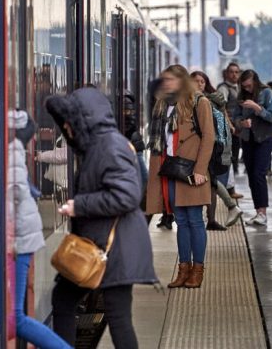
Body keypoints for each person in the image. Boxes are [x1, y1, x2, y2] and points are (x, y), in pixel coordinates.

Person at [46, 89, 157, 348]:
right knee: (68, 301)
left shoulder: (108, 147)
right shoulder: (99, 145)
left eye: (68, 123)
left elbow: (127, 195)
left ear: (82, 121)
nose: (65, 129)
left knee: (116, 317)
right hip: (104, 244)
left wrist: (79, 206)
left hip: (115, 248)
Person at [0, 110, 70, 349]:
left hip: (12, 242)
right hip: (8, 241)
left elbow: (11, 196)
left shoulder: (8, 153)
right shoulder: (9, 151)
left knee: (12, 318)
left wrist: (8, 240)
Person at [146, 65, 215, 288]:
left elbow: (208, 138)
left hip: (191, 171)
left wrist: (200, 170)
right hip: (170, 170)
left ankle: (198, 270)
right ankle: (183, 269)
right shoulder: (162, 104)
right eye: (164, 80)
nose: (166, 84)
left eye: (171, 80)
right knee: (181, 221)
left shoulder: (199, 102)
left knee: (195, 220)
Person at [192, 70, 244, 229]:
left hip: (210, 145)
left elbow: (222, 116)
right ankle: (215, 217)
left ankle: (227, 208)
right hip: (210, 144)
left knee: (210, 179)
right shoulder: (204, 99)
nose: (199, 84)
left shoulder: (205, 100)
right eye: (196, 81)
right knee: (210, 181)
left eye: (202, 81)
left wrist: (230, 126)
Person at [233, 70, 272, 226]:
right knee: (252, 175)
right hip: (247, 139)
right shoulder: (241, 96)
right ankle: (258, 211)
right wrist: (242, 123)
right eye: (244, 87)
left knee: (259, 173)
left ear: (255, 82)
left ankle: (263, 213)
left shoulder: (267, 93)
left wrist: (256, 108)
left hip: (264, 139)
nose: (247, 89)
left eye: (249, 86)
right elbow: (236, 117)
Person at [148, 77, 177, 230]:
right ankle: (167, 214)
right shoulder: (160, 105)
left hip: (177, 158)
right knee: (164, 189)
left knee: (173, 192)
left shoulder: (186, 104)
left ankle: (169, 213)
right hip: (163, 153)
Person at [216, 63, 245, 198]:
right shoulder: (224, 88)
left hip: (237, 128)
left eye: (237, 72)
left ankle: (230, 188)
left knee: (234, 156)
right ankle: (228, 190)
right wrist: (230, 124)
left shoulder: (239, 88)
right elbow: (221, 108)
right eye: (232, 72)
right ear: (226, 74)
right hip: (229, 129)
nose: (234, 75)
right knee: (229, 157)